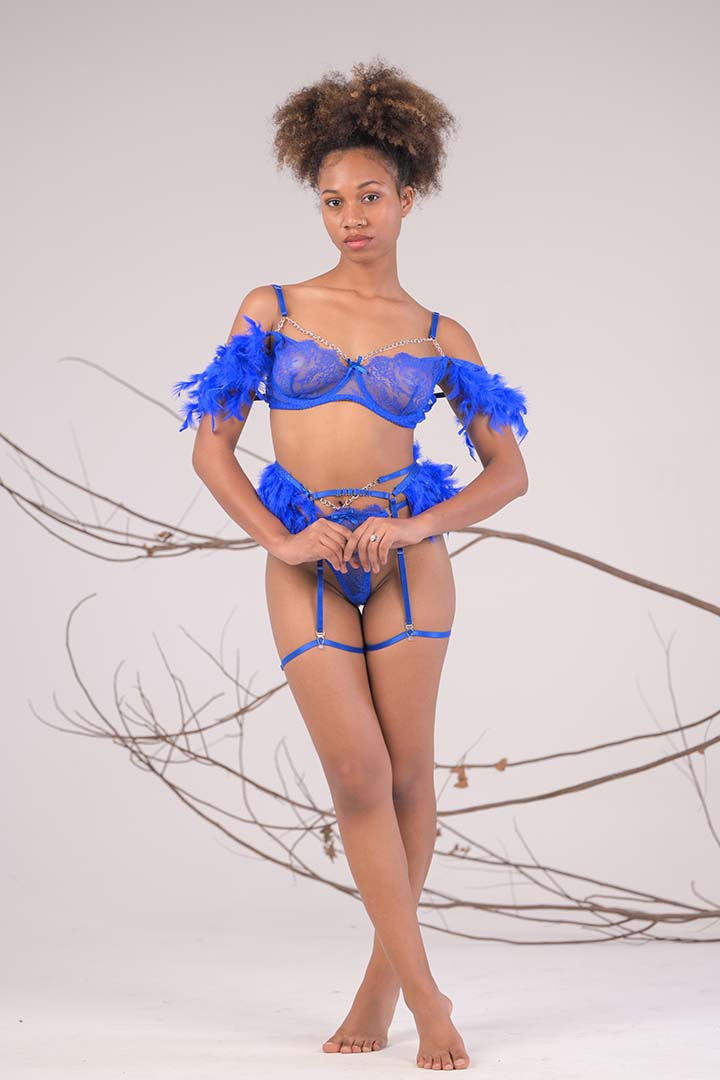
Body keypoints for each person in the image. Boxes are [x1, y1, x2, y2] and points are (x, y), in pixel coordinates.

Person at [172, 58, 528, 1072]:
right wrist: (281, 539)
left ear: (409, 197)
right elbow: (210, 448)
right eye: (333, 201)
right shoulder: (272, 306)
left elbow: (510, 474)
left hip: (406, 561)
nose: (351, 218)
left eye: (370, 196)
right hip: (308, 559)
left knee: (409, 775)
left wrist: (419, 527)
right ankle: (429, 996)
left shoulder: (440, 334)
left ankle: (383, 983)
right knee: (356, 773)